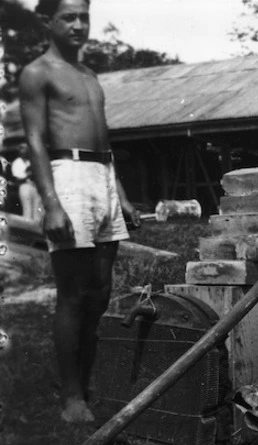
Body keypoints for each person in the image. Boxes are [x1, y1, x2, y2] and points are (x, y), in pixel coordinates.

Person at [19, 0, 141, 423]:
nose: (78, 24)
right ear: (47, 21)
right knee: (73, 293)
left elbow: (104, 143)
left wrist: (120, 194)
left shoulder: (90, 76)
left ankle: (88, 380)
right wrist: (50, 202)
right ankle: (72, 397)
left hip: (101, 175)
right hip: (66, 176)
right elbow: (34, 140)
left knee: (101, 292)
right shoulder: (37, 72)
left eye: (84, 16)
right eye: (68, 17)